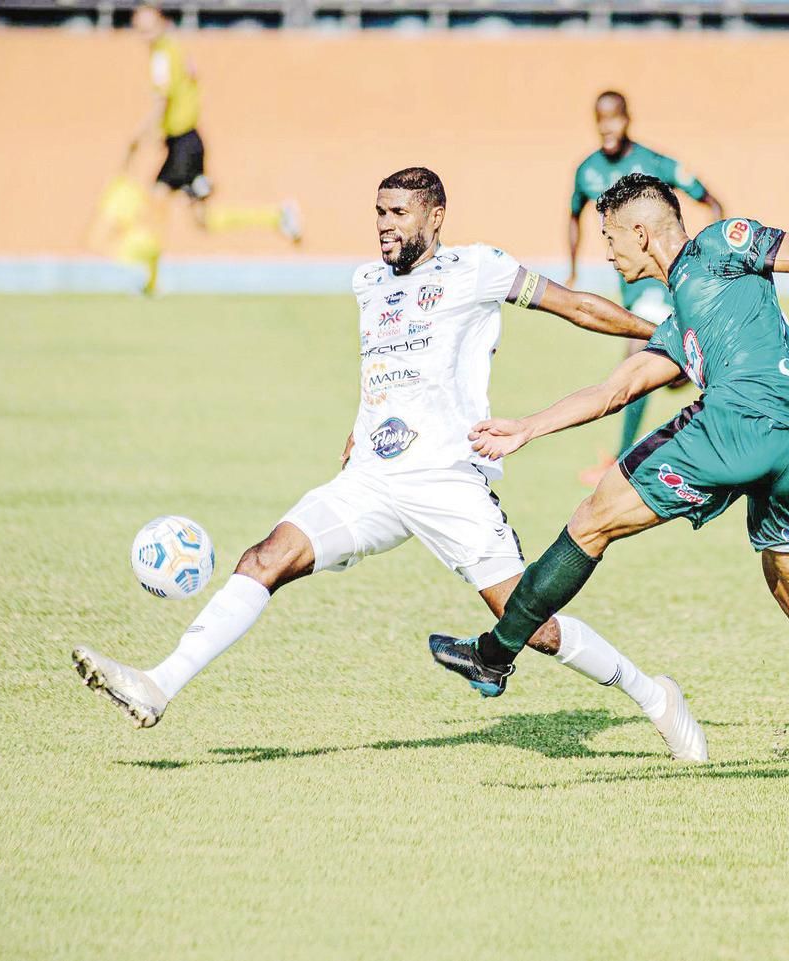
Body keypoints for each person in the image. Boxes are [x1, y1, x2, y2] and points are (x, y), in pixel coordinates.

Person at [72, 167, 708, 763]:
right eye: (378, 212)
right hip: (371, 481)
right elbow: (382, 365)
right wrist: (358, 428)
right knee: (264, 559)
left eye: (398, 212)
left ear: (435, 217)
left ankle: (654, 697)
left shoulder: (479, 267)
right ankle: (159, 685)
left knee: (529, 624)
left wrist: (666, 342)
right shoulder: (367, 283)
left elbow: (574, 304)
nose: (384, 224)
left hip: (449, 481)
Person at [429, 173, 789, 797]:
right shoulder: (680, 323)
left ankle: (495, 655)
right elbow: (616, 390)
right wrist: (528, 427)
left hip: (739, 423)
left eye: (611, 238)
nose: (609, 252)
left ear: (641, 232)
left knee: (593, 520)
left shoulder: (720, 243)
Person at [568, 91, 723, 485]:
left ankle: (622, 463)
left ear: (627, 119)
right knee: (669, 372)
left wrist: (707, 254)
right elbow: (573, 216)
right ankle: (691, 364)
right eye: (601, 119)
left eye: (615, 119)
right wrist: (572, 269)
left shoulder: (654, 163)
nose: (608, 127)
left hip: (665, 285)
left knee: (636, 357)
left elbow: (711, 201)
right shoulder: (587, 171)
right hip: (632, 290)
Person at [125, 2, 302, 245]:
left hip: (183, 143)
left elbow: (162, 102)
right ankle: (277, 215)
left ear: (162, 23)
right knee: (203, 220)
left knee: (156, 204)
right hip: (187, 141)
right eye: (140, 29)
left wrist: (139, 136)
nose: (145, 35)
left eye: (149, 28)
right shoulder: (175, 50)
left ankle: (148, 279)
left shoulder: (162, 57)